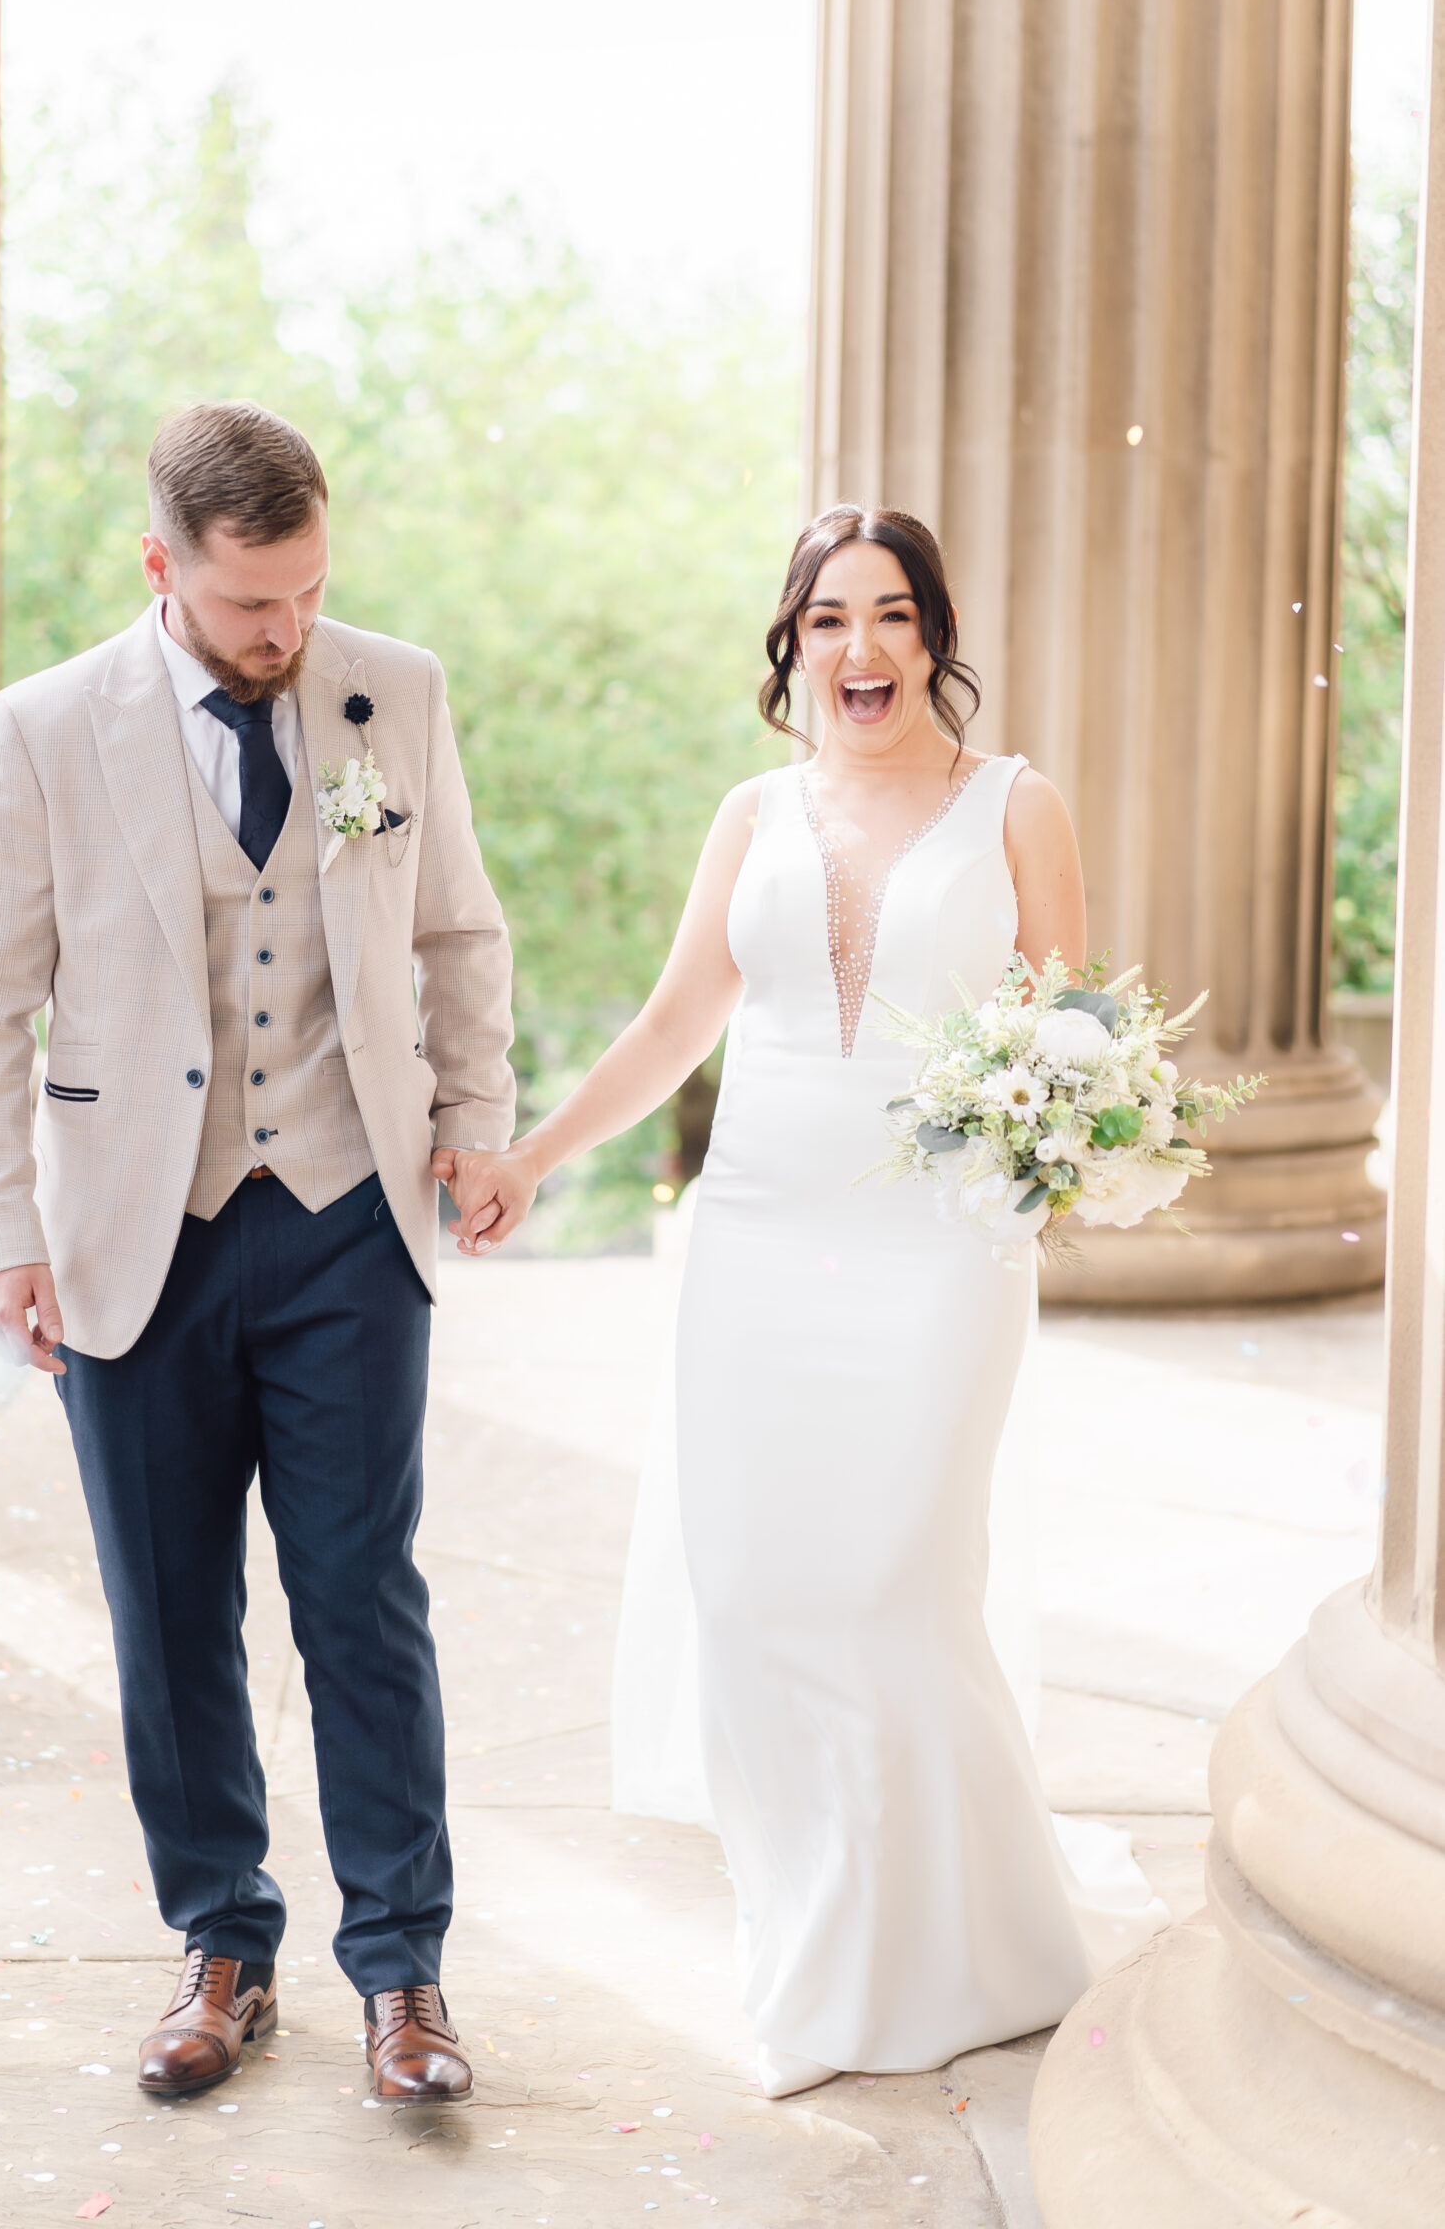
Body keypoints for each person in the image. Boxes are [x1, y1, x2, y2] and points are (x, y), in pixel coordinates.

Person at [445, 504, 1166, 2095]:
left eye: (896, 617)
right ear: (794, 645)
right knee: (763, 1598)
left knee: (895, 1588)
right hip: (756, 1244)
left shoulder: (1015, 807)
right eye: (832, 617)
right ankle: (821, 1937)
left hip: (937, 1259)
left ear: (936, 641)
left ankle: (964, 1951)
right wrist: (535, 1156)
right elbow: (669, 1025)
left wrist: (1078, 1144)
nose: (865, 648)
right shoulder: (752, 814)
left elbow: (1079, 1032)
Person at [0, 400, 514, 2103]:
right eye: (253, 603)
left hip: (347, 1218)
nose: (288, 632)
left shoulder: (388, 688)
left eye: (309, 592)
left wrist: (473, 1115)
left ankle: (403, 1973)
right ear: (160, 568)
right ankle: (223, 1946)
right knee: (169, 1612)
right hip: (136, 1231)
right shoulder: (44, 728)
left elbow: (459, 926)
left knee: (363, 1605)